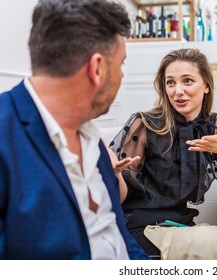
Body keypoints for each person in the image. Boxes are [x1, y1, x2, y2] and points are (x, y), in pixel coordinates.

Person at [0, 0, 149, 260]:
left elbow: (120, 239)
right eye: (121, 64)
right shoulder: (5, 136)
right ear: (98, 68)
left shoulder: (94, 140)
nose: (122, 76)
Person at [109, 48, 217, 258]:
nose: (177, 90)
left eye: (187, 81)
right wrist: (114, 175)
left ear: (206, 85)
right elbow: (120, 197)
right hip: (143, 229)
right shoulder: (144, 124)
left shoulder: (215, 126)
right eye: (170, 82)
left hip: (180, 226)